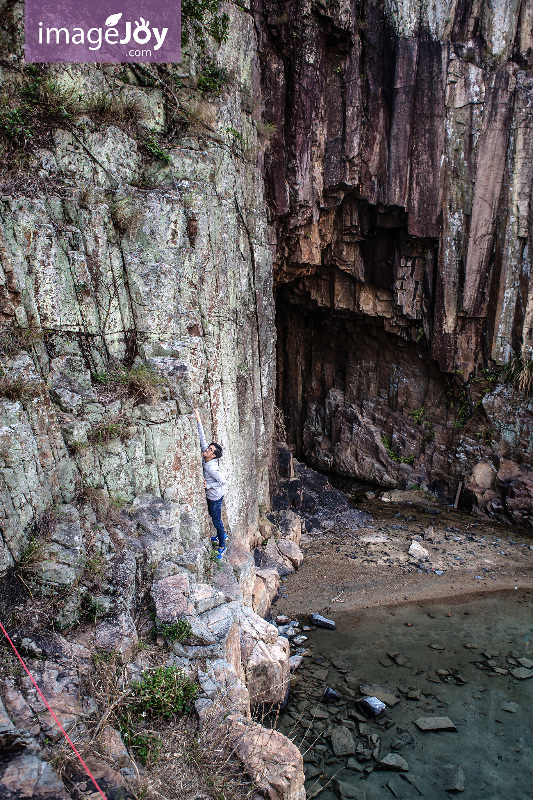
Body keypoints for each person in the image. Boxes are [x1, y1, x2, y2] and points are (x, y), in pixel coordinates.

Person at [194, 408, 227, 560]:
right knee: (213, 517)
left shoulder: (212, 467)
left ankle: (222, 545)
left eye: (210, 449)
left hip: (215, 496)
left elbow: (223, 481)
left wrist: (209, 486)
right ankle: (222, 535)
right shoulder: (206, 455)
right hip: (213, 495)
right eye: (209, 448)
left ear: (213, 455)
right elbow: (202, 438)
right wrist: (198, 418)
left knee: (216, 521)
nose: (207, 449)